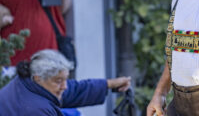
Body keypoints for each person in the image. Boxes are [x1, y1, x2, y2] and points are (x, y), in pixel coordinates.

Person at [0, 49, 131, 116]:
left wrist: (109, 84)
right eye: (58, 81)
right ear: (38, 77)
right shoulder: (36, 109)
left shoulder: (29, 82)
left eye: (65, 79)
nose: (64, 86)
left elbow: (74, 90)